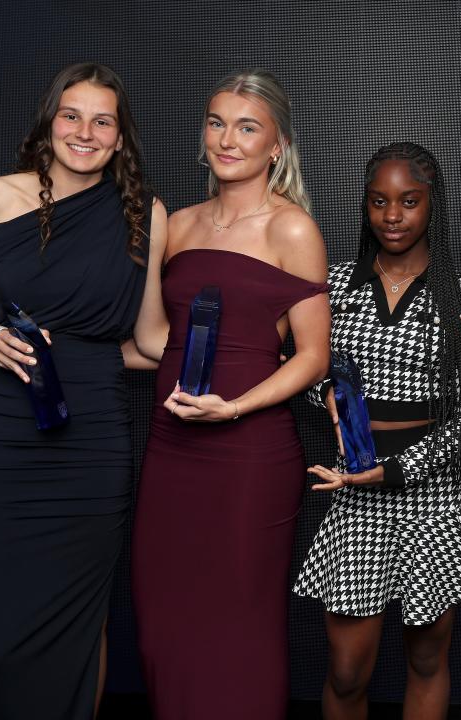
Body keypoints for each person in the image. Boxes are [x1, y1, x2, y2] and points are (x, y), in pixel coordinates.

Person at [0, 63, 166, 719]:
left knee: (78, 625)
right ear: (49, 121)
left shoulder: (145, 216)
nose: (85, 132)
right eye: (72, 115)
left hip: (93, 442)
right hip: (6, 432)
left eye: (104, 121)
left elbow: (152, 340)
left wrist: (249, 362)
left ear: (121, 138)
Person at [129, 68, 330, 719]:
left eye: (247, 127)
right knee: (166, 618)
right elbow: (159, 339)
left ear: (277, 145)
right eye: (217, 122)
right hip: (172, 451)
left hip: (249, 457)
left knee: (239, 628)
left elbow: (313, 355)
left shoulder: (291, 230)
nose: (227, 138)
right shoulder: (179, 224)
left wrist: (236, 405)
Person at [294, 142, 461, 719]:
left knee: (428, 659)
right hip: (356, 488)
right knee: (345, 670)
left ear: (433, 205)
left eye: (409, 201)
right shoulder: (334, 286)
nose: (392, 216)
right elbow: (308, 367)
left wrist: (400, 468)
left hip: (436, 497)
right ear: (364, 206)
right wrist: (327, 394)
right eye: (379, 201)